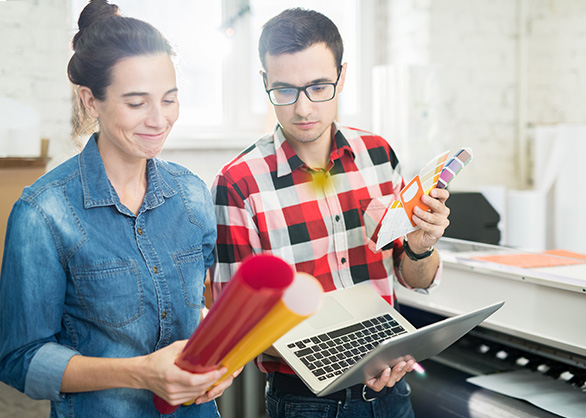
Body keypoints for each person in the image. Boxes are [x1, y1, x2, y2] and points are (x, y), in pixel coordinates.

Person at [211, 7, 451, 418]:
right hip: (306, 403)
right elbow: (235, 329)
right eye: (284, 90)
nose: (303, 109)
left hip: (393, 393)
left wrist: (420, 248)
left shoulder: (378, 155)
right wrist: (345, 358)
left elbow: (413, 278)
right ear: (265, 82)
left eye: (319, 87)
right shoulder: (238, 183)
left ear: (342, 76)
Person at [0, 1, 237, 416]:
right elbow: (21, 359)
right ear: (91, 101)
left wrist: (216, 359)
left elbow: (192, 308)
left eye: (169, 99)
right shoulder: (44, 212)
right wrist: (142, 373)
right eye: (136, 103)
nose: (158, 119)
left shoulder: (192, 194)